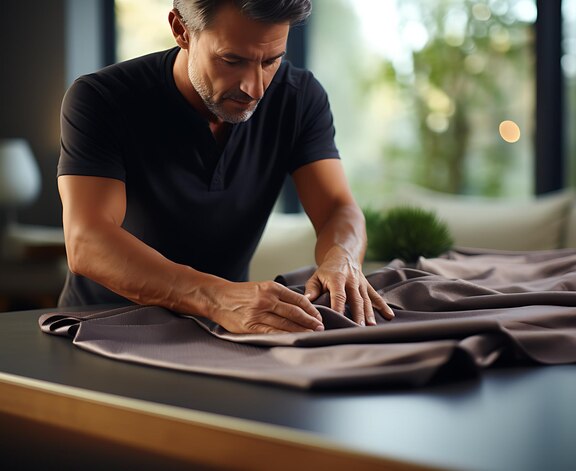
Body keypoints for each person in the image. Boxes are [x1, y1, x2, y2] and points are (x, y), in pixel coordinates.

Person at [57, 0, 394, 334]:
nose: (255, 88)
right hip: (103, 326)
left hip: (227, 331)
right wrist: (217, 298)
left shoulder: (299, 97)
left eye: (272, 61)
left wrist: (342, 255)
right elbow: (88, 241)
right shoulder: (101, 99)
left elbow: (337, 207)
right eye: (232, 60)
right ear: (181, 30)